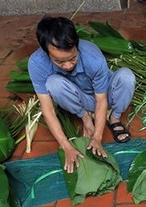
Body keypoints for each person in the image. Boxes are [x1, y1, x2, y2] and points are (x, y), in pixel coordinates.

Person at [28, 17, 135, 173]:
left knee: (126, 76)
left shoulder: (92, 56)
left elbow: (101, 100)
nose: (68, 66)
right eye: (59, 62)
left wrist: (97, 137)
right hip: (79, 100)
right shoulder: (37, 63)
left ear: (76, 45)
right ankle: (85, 116)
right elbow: (48, 110)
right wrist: (66, 146)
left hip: (104, 95)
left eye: (72, 58)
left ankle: (114, 117)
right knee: (53, 83)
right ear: (46, 52)